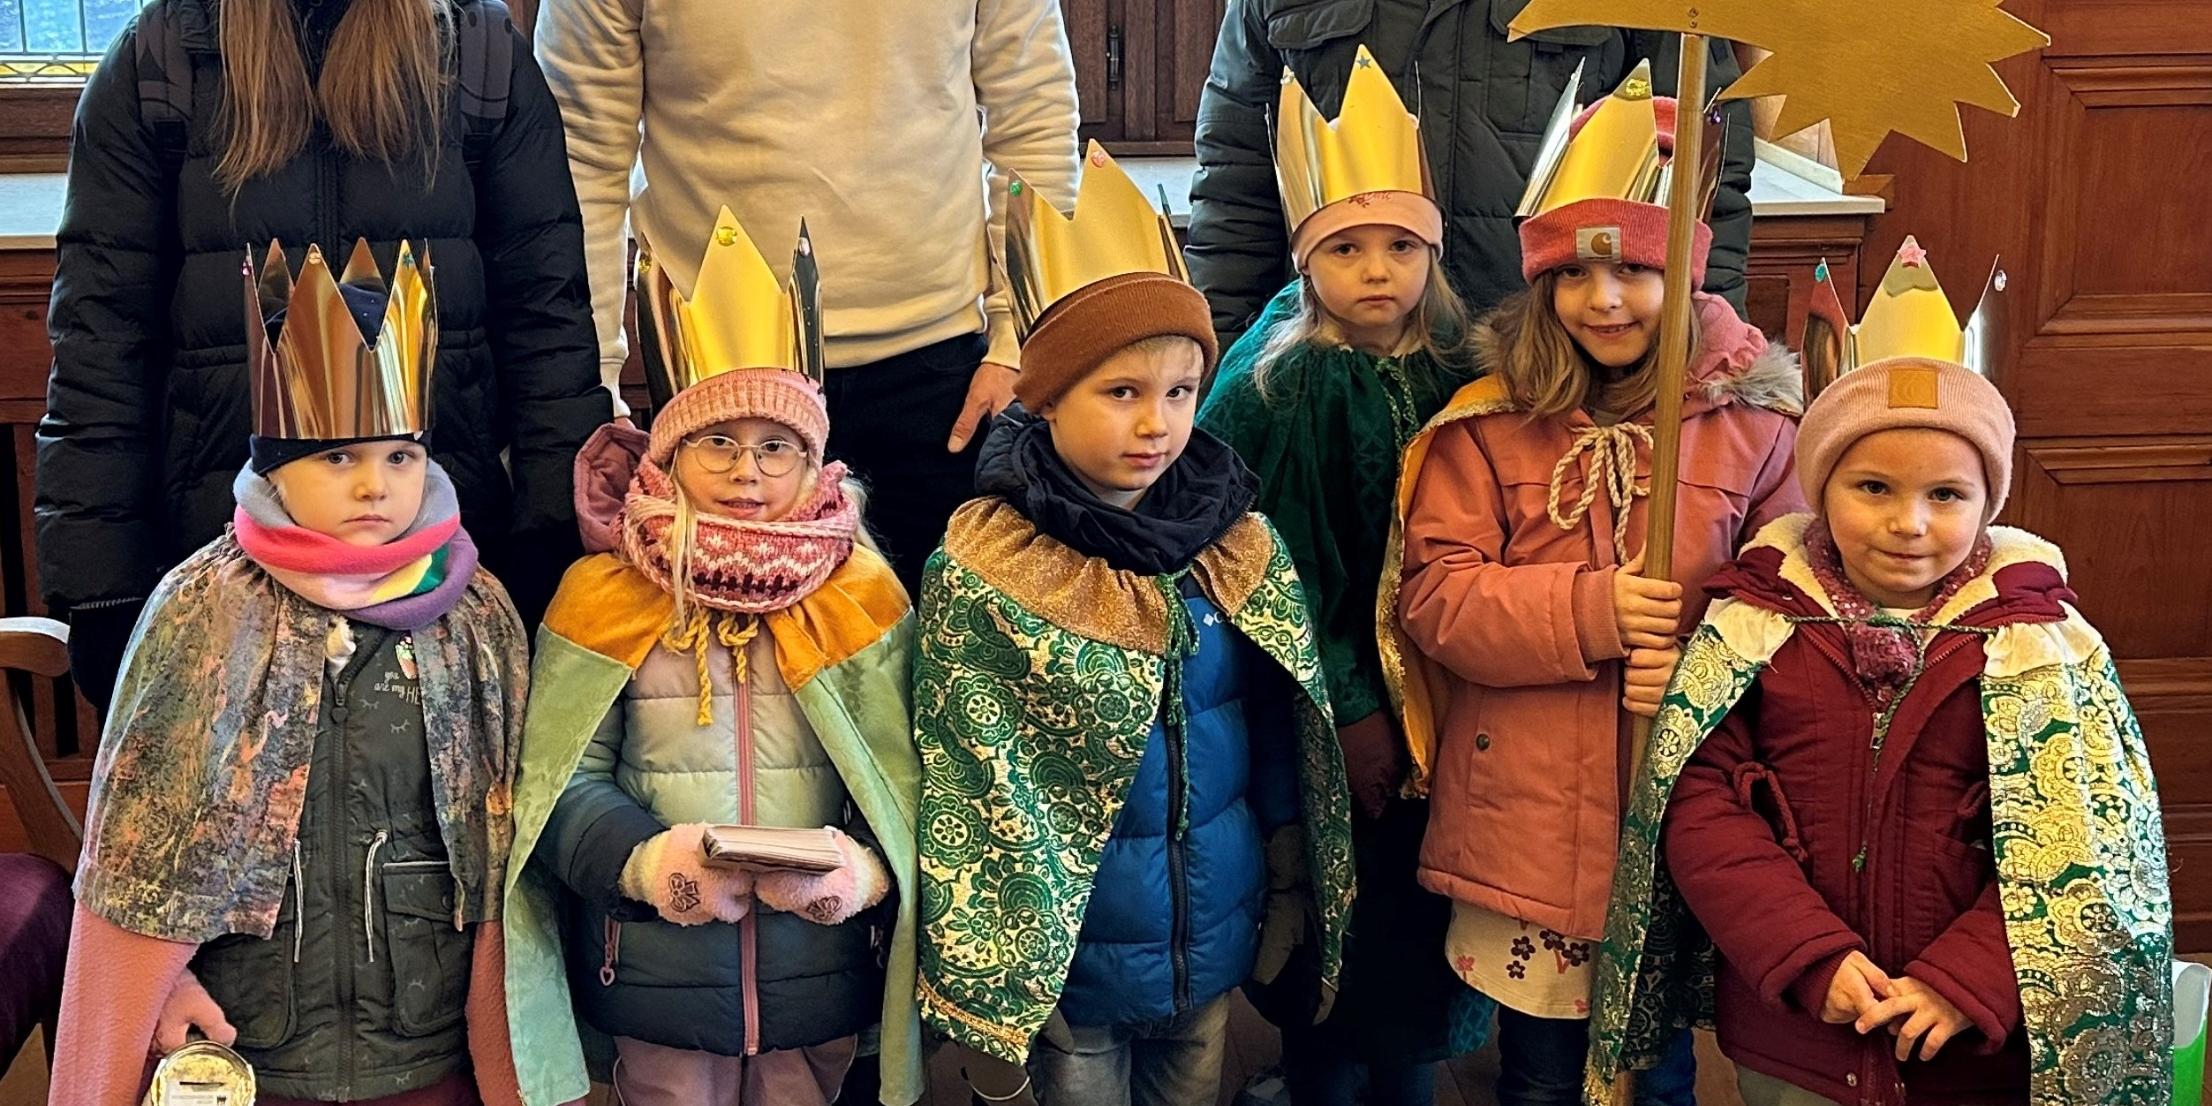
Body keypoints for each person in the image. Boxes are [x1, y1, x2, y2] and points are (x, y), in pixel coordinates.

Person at [1586, 241, 2174, 1106]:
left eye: (1946, 495)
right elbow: (1700, 805)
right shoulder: (1754, 624)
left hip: (1971, 1045)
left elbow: (2086, 854)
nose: (1909, 523)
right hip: (1799, 1028)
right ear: (1819, 490)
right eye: (1872, 487)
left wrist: (1969, 981)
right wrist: (1807, 956)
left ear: (1988, 504)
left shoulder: (2041, 647)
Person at [49, 241, 561, 1106]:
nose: (375, 486)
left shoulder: (476, 613)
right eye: (337, 458)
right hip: (252, 1043)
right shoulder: (199, 610)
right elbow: (137, 841)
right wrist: (164, 984)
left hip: (429, 1040)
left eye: (399, 457)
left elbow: (510, 846)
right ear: (275, 466)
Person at [1387, 68, 1805, 1106]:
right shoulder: (1486, 424)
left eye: (1635, 272)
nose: (1604, 299)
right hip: (1525, 817)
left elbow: (1793, 600)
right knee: (1539, 1071)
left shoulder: (1758, 430)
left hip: (1679, 805)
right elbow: (1435, 597)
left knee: (1652, 1062)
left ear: (1690, 277)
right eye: (1574, 274)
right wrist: (1593, 610)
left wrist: (1699, 645)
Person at [912, 146, 1355, 1106]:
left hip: (1214, 928)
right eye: (1121, 393)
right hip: (1074, 954)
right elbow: (969, 778)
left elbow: (1275, 717)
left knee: (1191, 1086)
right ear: (1047, 397)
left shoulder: (1235, 542)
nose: (1157, 423)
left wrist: (1284, 866)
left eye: (1179, 392)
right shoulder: (991, 567)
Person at [37, 0, 609, 711]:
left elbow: (546, 320)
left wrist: (555, 543)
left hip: (443, 573)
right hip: (220, 575)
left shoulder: (477, 56)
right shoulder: (160, 62)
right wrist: (100, 584)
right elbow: (103, 339)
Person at [510, 212, 924, 1106]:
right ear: (670, 450)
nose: (748, 469)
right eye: (718, 442)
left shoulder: (863, 593)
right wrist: (645, 864)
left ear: (814, 461)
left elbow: (909, 778)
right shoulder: (605, 593)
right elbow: (556, 784)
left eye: (777, 446)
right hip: (654, 965)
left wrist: (860, 870)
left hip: (818, 965)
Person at [534, 0, 1080, 595]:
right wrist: (597, 378)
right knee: (727, 674)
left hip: (941, 375)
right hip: (718, 372)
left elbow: (1033, 119)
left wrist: (1018, 340)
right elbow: (579, 158)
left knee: (945, 660)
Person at [1196, 48, 1484, 1105]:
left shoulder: (1459, 365)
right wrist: (1354, 708)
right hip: (1324, 704)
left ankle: (1404, 1074)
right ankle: (1316, 1073)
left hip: (1452, 693)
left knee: (1418, 906)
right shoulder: (1283, 379)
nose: (1377, 271)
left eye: (1401, 246)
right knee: (1330, 904)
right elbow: (1277, 567)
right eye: (1348, 247)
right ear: (1307, 258)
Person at [1186, 0, 1755, 345]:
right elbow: (1239, 180)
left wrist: (1704, 346)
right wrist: (1216, 358)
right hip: (1341, 377)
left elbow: (1700, 166)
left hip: (1547, 377)